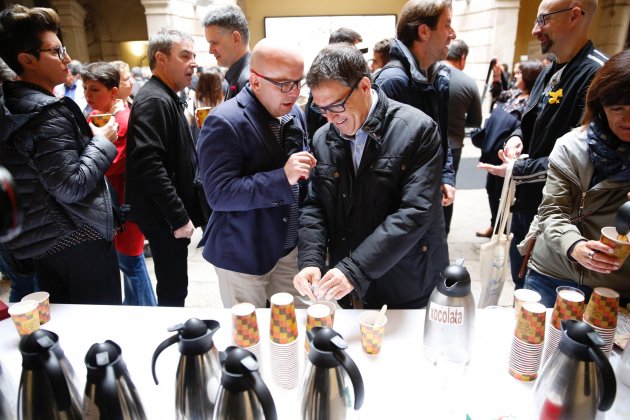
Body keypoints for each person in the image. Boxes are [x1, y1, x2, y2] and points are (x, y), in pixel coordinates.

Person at [293, 43, 448, 309]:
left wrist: (354, 269)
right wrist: (311, 260)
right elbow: (315, 205)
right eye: (321, 109)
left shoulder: (417, 129)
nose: (330, 118)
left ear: (365, 86)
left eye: (336, 106)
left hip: (404, 278)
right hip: (348, 281)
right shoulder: (323, 137)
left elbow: (415, 212)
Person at [478, 0, 606, 290]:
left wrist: (519, 168)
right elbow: (529, 123)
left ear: (575, 16)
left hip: (564, 218)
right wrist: (516, 139)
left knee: (543, 300)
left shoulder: (598, 75)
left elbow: (585, 158)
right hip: (527, 205)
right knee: (522, 287)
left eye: (544, 20)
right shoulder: (552, 69)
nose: (536, 30)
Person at [0, 5, 121, 304]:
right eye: (56, 51)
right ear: (27, 60)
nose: (67, 59)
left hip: (46, 242)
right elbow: (70, 185)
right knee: (101, 338)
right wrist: (103, 142)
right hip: (77, 240)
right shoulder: (46, 112)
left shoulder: (14, 104)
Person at [197, 39, 315, 308]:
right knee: (249, 336)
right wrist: (282, 177)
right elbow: (219, 194)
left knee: (292, 326)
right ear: (256, 80)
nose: (294, 93)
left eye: (299, 82)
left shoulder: (295, 113)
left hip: (288, 248)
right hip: (243, 253)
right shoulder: (224, 121)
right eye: (284, 84)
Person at [521, 49, 630, 307]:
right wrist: (575, 246)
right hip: (553, 271)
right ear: (600, 106)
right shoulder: (571, 147)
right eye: (617, 108)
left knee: (605, 347)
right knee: (538, 343)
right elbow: (552, 210)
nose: (627, 119)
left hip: (616, 285)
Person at [126, 28, 208, 307]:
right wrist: (179, 217)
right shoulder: (153, 99)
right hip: (164, 218)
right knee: (173, 288)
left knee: (175, 284)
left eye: (194, 56)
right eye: (185, 56)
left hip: (167, 216)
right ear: (161, 59)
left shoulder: (165, 95)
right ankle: (173, 337)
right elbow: (149, 163)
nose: (193, 63)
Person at [374, 0, 457, 236]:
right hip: (406, 213)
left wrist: (445, 175)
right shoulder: (394, 82)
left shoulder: (432, 76)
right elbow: (385, 164)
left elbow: (438, 134)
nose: (452, 34)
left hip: (423, 201)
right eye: (447, 26)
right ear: (423, 31)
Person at [82, 62, 157, 307]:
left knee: (132, 263)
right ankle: (136, 308)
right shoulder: (96, 116)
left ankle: (148, 312)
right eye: (85, 89)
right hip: (108, 206)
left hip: (125, 205)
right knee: (127, 263)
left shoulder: (123, 120)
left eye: (94, 90)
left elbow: (108, 164)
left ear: (113, 92)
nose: (88, 95)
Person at [474, 60, 544, 238]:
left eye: (519, 73)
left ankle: (503, 228)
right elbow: (498, 93)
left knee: (503, 194)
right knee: (491, 190)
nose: (515, 76)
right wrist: (497, 75)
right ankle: (494, 224)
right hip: (493, 153)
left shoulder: (533, 102)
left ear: (529, 77)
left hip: (510, 158)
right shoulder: (513, 94)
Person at [443, 38, 482, 234]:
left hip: (422, 143)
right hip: (453, 144)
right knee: (447, 191)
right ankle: (443, 234)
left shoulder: (426, 73)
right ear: (463, 58)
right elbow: (476, 120)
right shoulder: (468, 82)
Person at [203, 5, 250, 101]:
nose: (210, 50)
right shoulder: (241, 74)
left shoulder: (248, 80)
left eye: (214, 43)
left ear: (235, 38)